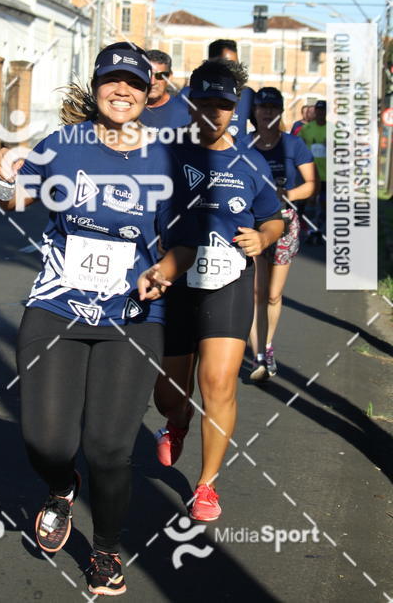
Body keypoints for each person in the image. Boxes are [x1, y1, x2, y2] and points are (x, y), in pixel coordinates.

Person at [0, 42, 193, 597]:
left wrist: (164, 272)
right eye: (112, 81)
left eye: (135, 83)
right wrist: (3, 172)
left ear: (147, 93)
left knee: (108, 448)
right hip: (56, 305)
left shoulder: (166, 158)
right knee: (46, 441)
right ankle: (61, 486)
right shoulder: (64, 144)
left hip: (132, 314)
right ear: (98, 85)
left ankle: (105, 550)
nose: (123, 90)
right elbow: (13, 198)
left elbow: (186, 241)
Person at [144, 59, 284, 521]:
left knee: (219, 382)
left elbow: (274, 218)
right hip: (176, 281)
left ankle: (206, 485)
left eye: (221, 105)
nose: (211, 113)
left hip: (229, 280)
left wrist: (263, 237)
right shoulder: (166, 152)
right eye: (202, 103)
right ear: (190, 105)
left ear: (234, 108)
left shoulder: (250, 161)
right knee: (168, 395)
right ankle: (178, 419)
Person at [245, 88, 318, 380]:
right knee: (257, 292)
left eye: (273, 107)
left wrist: (287, 194)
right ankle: (258, 358)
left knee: (274, 295)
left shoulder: (293, 144)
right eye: (262, 107)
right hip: (254, 222)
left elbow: (311, 184)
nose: (267, 112)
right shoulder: (244, 144)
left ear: (280, 112)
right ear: (255, 112)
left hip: (285, 221)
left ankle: (268, 345)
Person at [207, 39, 255, 138]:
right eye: (228, 64)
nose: (233, 69)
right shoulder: (192, 94)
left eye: (235, 65)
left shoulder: (247, 95)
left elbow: (269, 131)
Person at [138, 49, 191, 130]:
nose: (152, 82)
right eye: (148, 74)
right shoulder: (126, 109)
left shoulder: (184, 116)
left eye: (160, 76)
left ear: (169, 77)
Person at [300, 100, 327, 243]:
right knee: (310, 204)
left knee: (324, 206)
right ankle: (310, 231)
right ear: (315, 111)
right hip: (309, 174)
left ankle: (319, 231)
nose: (320, 113)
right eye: (318, 110)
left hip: (327, 176)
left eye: (323, 110)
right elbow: (298, 146)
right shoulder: (307, 128)